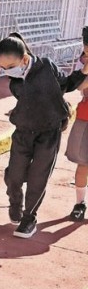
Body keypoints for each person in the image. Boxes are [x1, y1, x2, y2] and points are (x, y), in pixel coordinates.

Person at [0, 32, 88, 239]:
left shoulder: (46, 66)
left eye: (10, 67)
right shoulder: (15, 82)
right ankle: (15, 203)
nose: (7, 72)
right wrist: (19, 111)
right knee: (14, 176)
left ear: (24, 59)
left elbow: (65, 85)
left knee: (38, 177)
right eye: (2, 68)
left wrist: (83, 72)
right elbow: (29, 100)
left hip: (48, 133)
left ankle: (29, 219)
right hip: (23, 132)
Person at [60, 28, 88, 222]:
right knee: (83, 164)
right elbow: (79, 86)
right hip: (85, 118)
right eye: (86, 50)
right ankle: (80, 204)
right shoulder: (83, 62)